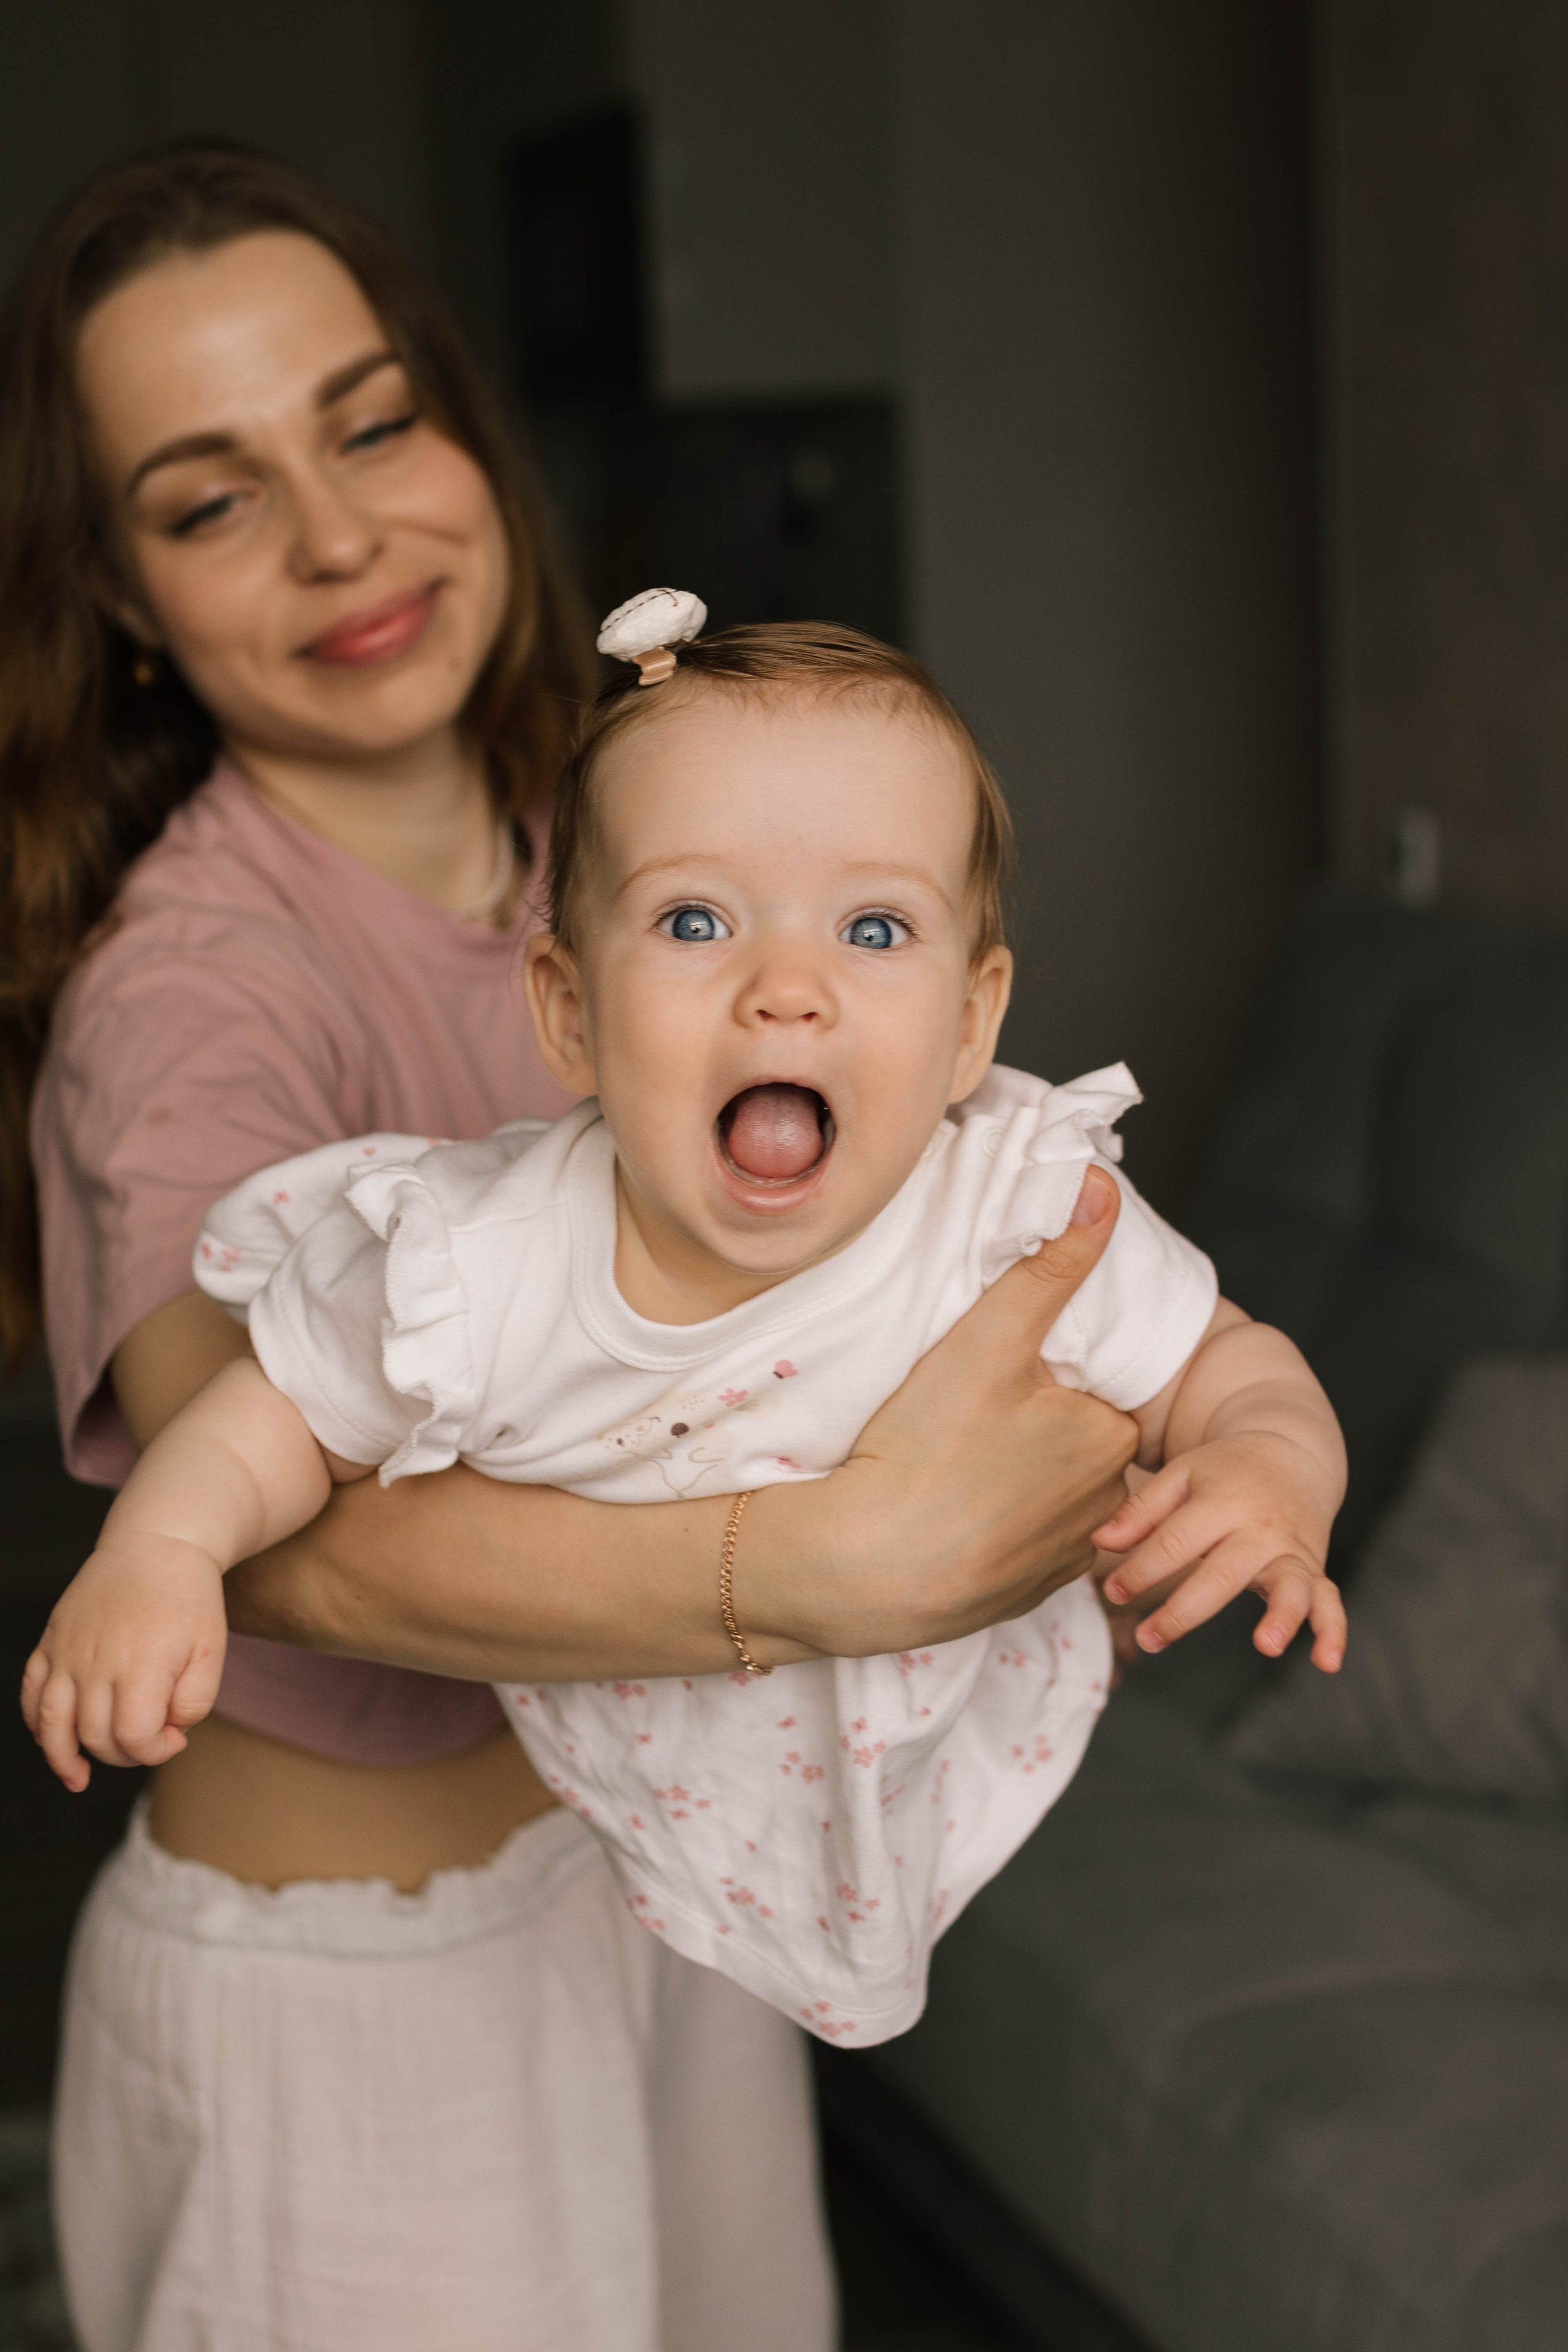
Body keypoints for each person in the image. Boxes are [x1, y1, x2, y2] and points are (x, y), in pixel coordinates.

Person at [0, 141, 1139, 2352]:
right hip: (364, 1996)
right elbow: (264, 1535)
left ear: (459, 428)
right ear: (123, 597)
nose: (341, 535)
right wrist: (828, 1564)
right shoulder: (189, 999)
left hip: (632, 1879)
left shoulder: (634, 857)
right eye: (210, 495)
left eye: (369, 420)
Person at [26, 602, 1349, 2054]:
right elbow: (266, 1412)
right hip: (616, 1780)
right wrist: (160, 1552)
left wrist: (1271, 1469)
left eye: (872, 927)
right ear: (569, 1010)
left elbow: (1231, 1363)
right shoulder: (488, 1257)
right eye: (694, 921)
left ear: (972, 1024)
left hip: (894, 1733)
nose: (786, 988)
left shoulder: (1012, 1204)